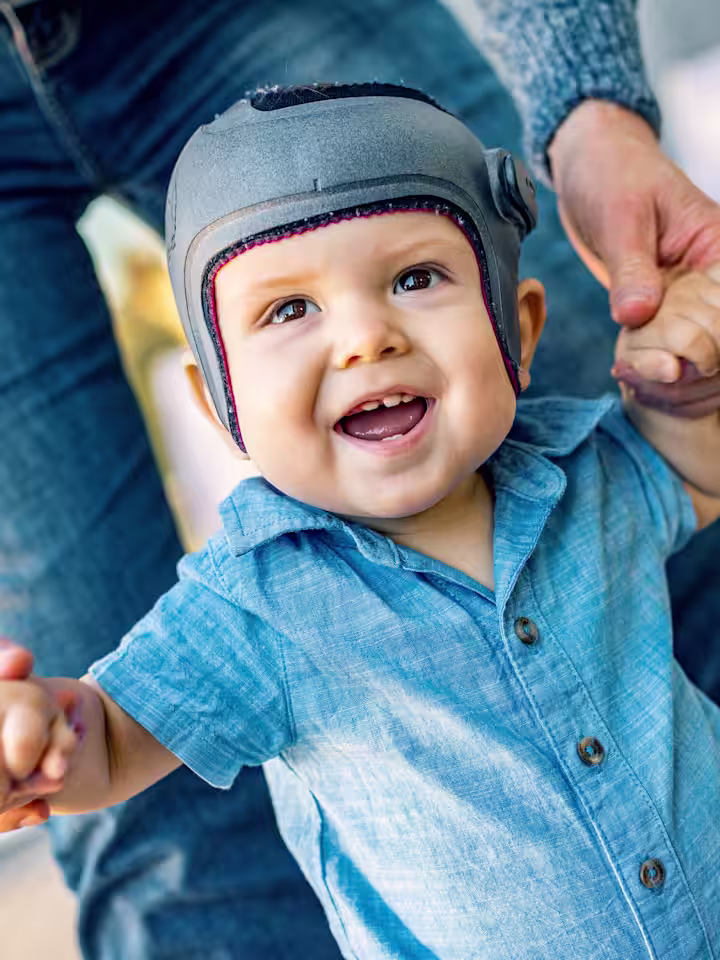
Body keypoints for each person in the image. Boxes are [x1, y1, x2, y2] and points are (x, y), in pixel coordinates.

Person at [1, 2, 719, 958]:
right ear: (224, 411)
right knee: (163, 853)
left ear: (520, 332)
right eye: (290, 307)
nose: (365, 336)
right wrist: (46, 735)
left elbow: (694, 473)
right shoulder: (256, 605)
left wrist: (694, 390)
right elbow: (120, 738)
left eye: (416, 279)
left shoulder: (586, 470)